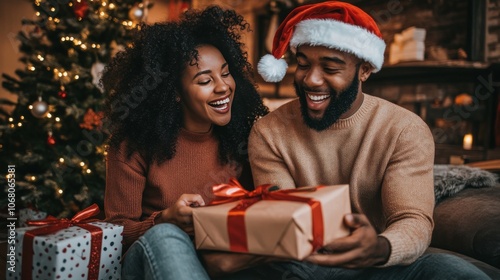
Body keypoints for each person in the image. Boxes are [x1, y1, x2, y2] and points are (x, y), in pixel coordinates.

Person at [236, 1, 490, 279]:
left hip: (377, 263)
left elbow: (412, 220)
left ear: (365, 70)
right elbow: (283, 219)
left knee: (453, 271)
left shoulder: (404, 129)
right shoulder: (268, 132)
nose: (311, 80)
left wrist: (380, 247)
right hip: (304, 262)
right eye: (303, 64)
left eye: (330, 68)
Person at [100, 5, 268, 280]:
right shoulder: (133, 146)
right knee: (167, 235)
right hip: (150, 257)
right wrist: (165, 219)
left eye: (225, 73)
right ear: (175, 93)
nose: (223, 86)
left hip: (218, 260)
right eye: (205, 80)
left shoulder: (246, 138)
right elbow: (116, 233)